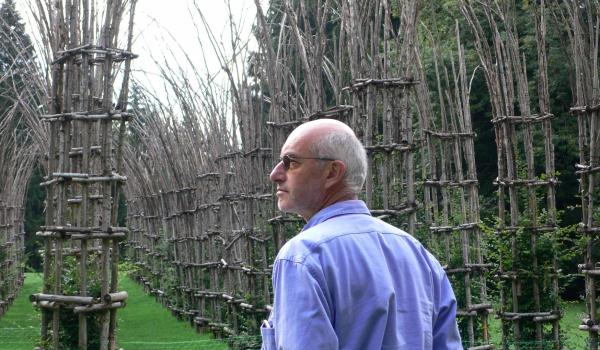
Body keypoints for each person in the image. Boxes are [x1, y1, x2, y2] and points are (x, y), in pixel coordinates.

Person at [261, 118, 463, 349]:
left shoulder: (303, 256)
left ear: (332, 173)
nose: (275, 174)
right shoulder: (419, 255)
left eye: (291, 162)